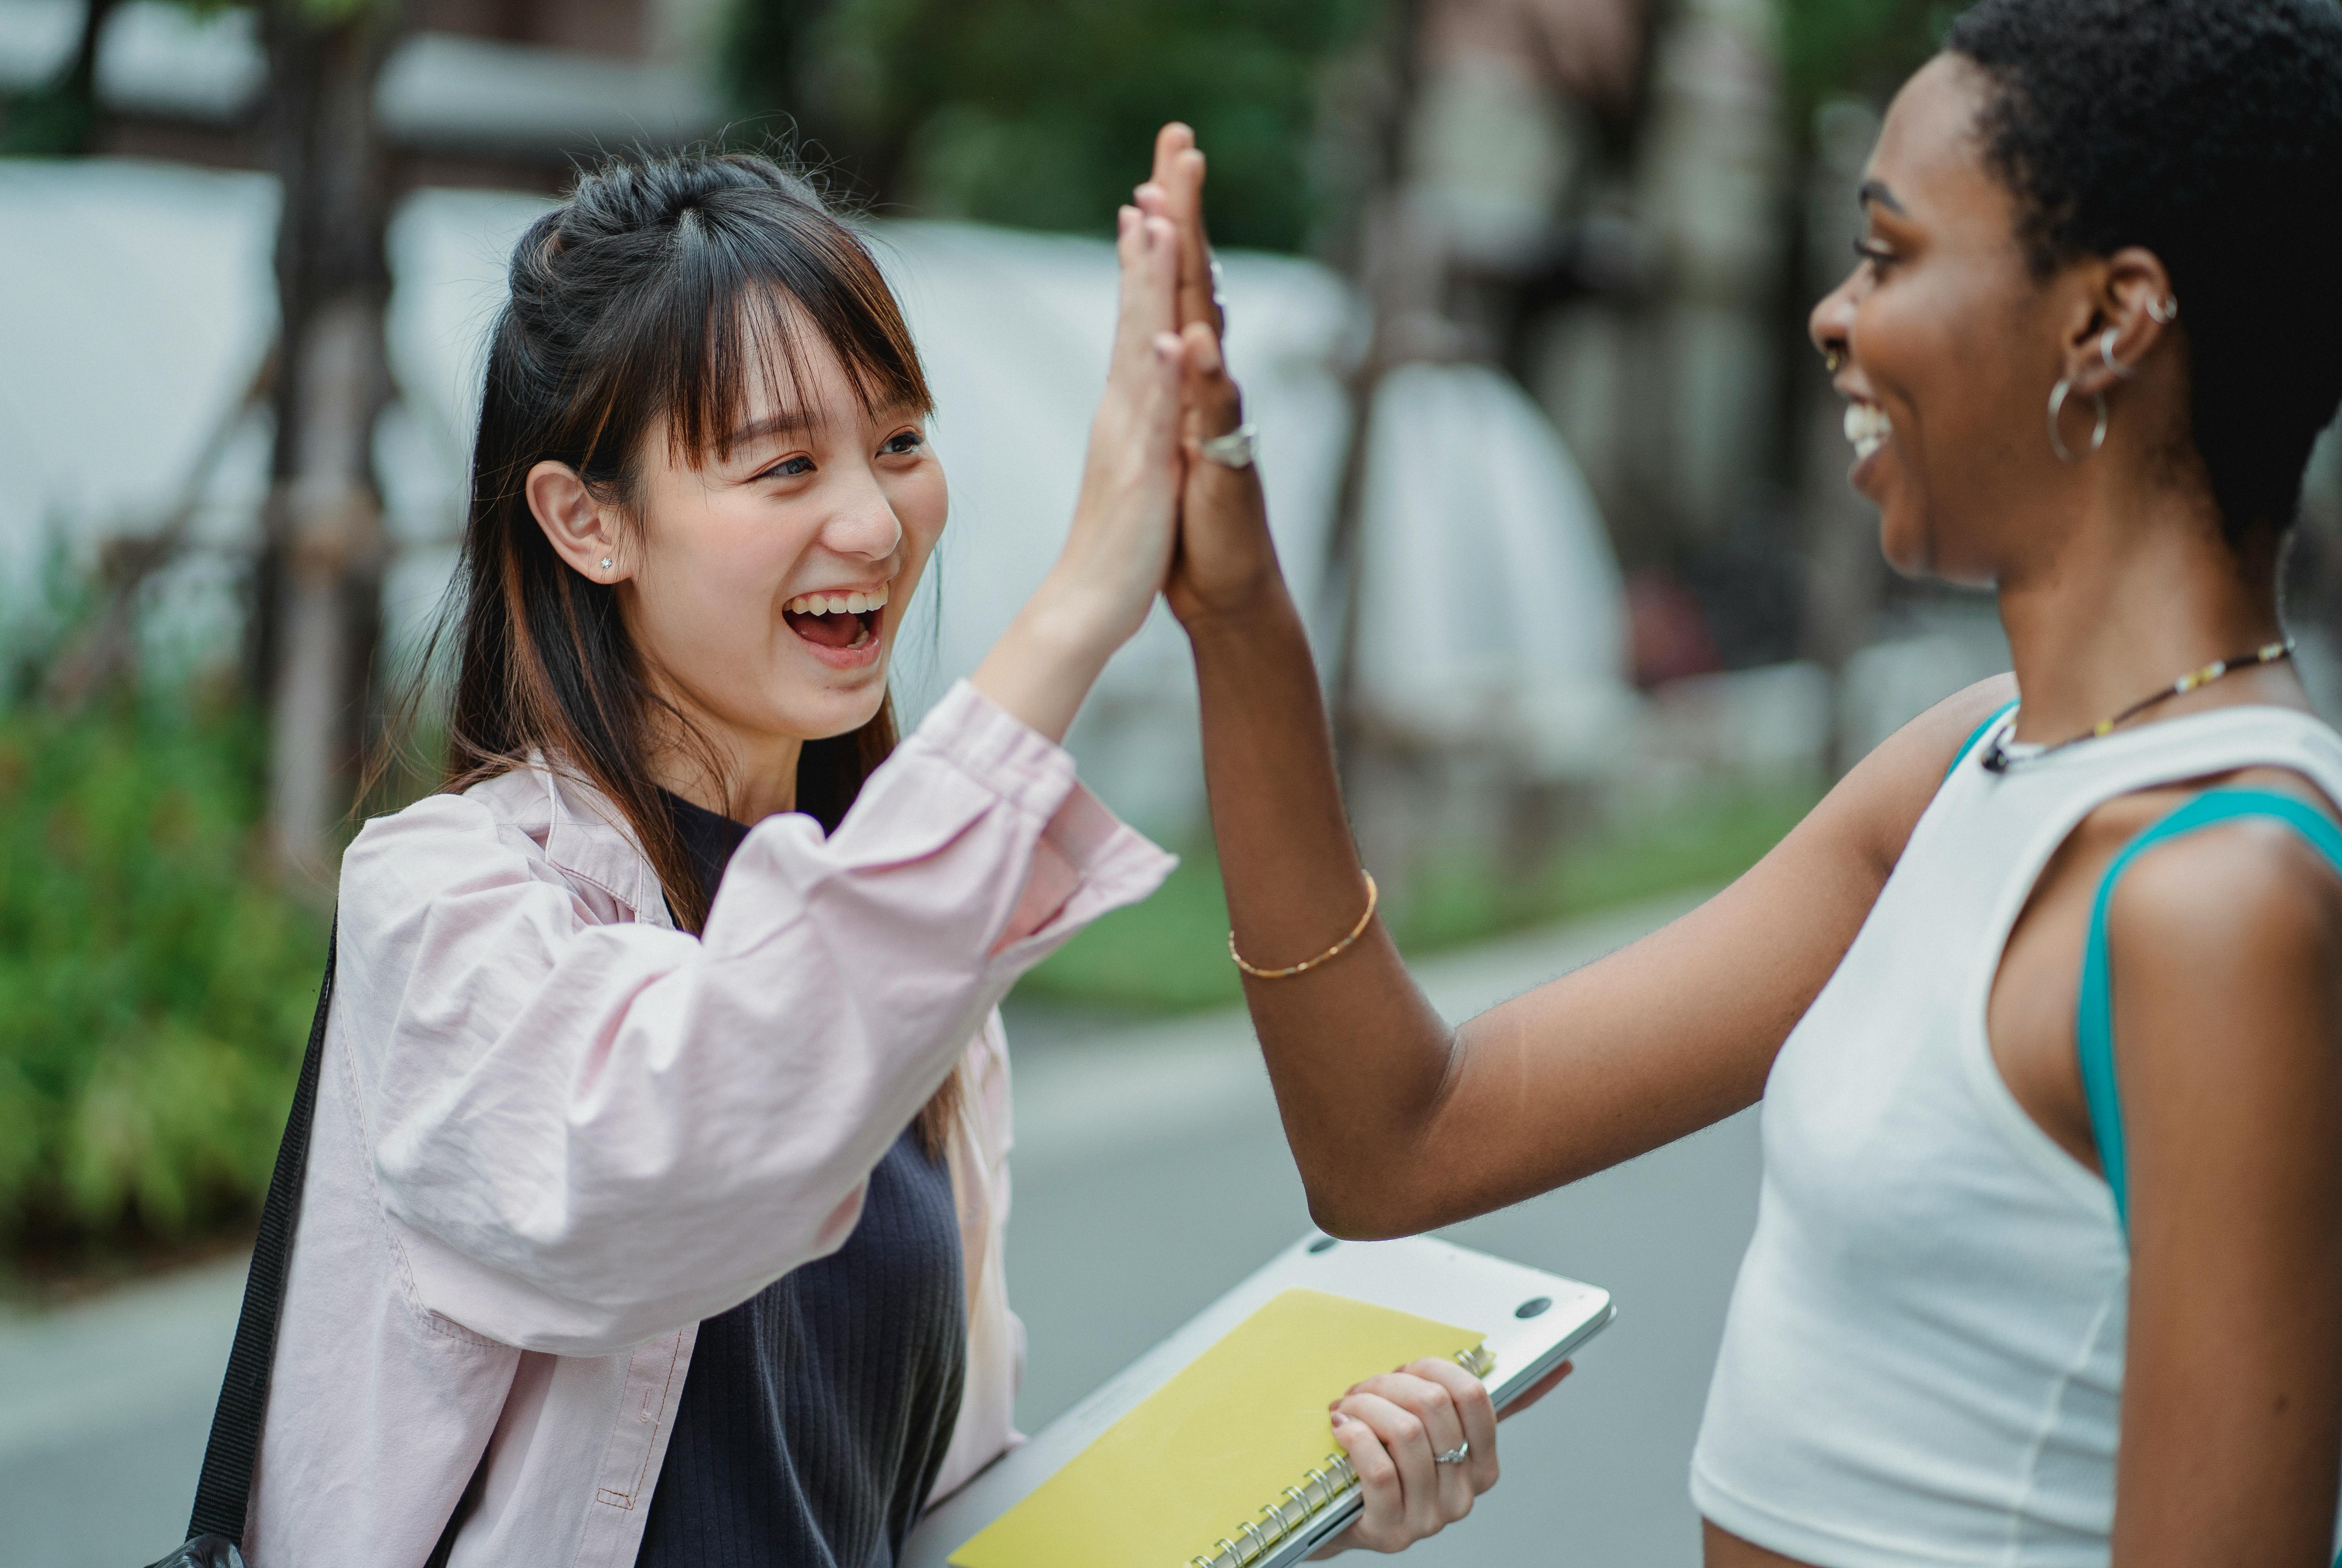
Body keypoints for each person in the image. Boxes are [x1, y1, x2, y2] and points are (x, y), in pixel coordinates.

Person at [1150, 1, 2342, 1563]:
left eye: (1893, 253)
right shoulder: (1968, 769)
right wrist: (1239, 617)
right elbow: (1400, 1138)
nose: (1832, 316)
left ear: (2108, 322)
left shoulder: (2221, 896)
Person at [240, 150, 1497, 1565]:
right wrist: (1086, 594)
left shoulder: (917, 969)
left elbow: (916, 1525)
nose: (873, 521)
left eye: (899, 442)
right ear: (586, 522)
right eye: (785, 466)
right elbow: (687, 1149)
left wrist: (1290, 1486)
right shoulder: (448, 905)